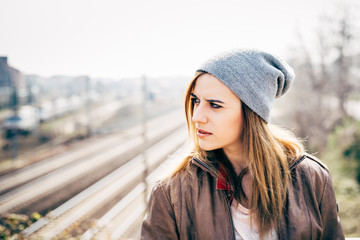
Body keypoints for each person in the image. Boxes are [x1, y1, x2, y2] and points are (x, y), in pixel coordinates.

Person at [141, 49, 344, 240]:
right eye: (195, 101)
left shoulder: (311, 178)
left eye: (214, 105)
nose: (196, 116)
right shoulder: (173, 191)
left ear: (252, 113)